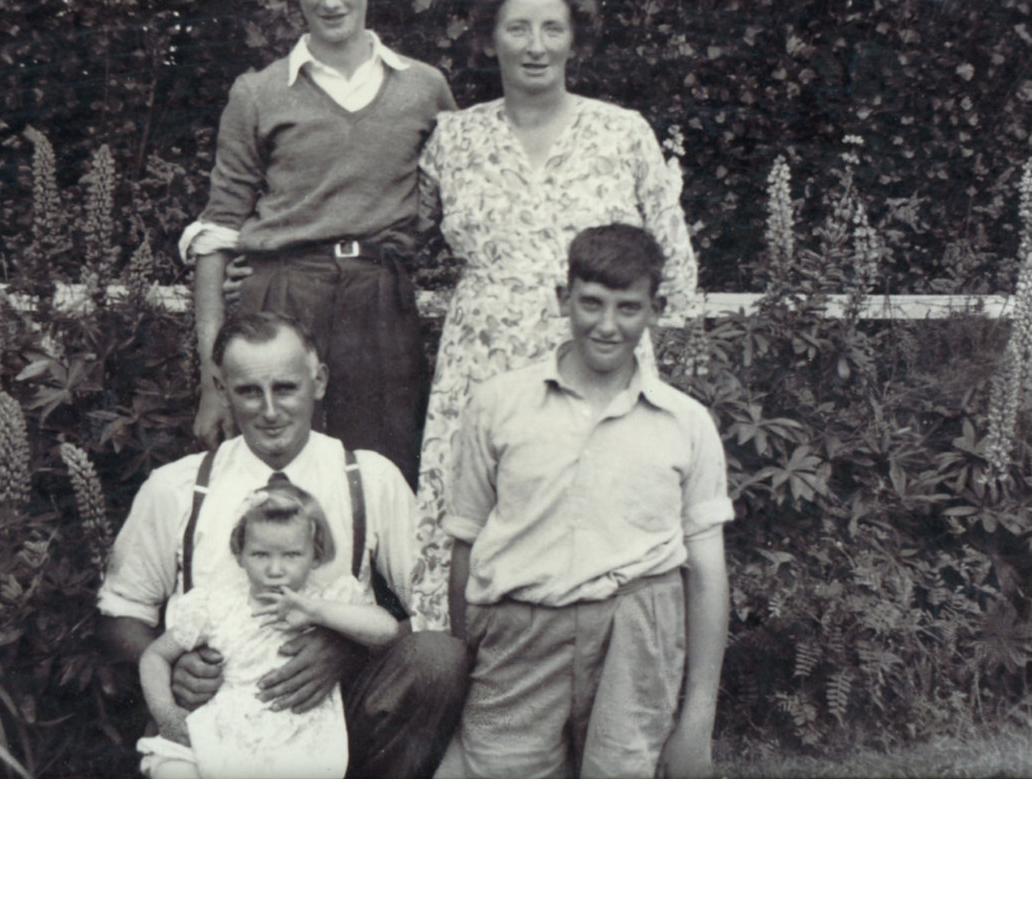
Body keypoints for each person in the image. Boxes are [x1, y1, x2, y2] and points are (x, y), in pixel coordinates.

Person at [412, 0, 699, 628]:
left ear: (575, 40)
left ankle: (613, 670)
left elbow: (674, 270)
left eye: (551, 28)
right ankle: (474, 674)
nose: (535, 45)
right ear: (491, 40)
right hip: (482, 365)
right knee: (478, 515)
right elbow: (399, 234)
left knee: (602, 511)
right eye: (518, 28)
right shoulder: (452, 140)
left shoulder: (623, 132)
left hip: (603, 356)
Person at [98, 310, 468, 778]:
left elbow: (431, 608)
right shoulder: (177, 487)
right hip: (215, 707)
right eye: (250, 391)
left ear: (319, 382)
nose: (270, 411)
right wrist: (174, 668)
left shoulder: (367, 478)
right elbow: (120, 614)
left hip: (328, 708)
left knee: (438, 660)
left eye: (286, 388)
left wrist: (347, 650)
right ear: (221, 388)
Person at [180, 0, 456, 486]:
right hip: (279, 295)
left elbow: (460, 199)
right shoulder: (258, 93)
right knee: (271, 484)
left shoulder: (424, 89)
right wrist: (212, 378)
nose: (331, 1)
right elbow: (218, 233)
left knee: (380, 477)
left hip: (380, 304)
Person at [444, 224, 731, 778]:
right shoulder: (498, 404)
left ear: (656, 309)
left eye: (628, 308)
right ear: (563, 298)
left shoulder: (687, 423)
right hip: (519, 635)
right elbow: (466, 545)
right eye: (591, 303)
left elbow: (708, 574)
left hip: (637, 634)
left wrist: (698, 716)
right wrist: (467, 665)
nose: (606, 325)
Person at [137, 483, 398, 777]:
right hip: (220, 735)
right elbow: (154, 657)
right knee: (174, 771)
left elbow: (387, 630)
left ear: (315, 554)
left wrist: (316, 612)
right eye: (261, 555)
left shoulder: (328, 601)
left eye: (292, 555)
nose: (276, 570)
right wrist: (166, 714)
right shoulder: (215, 607)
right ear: (240, 555)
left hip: (298, 744)